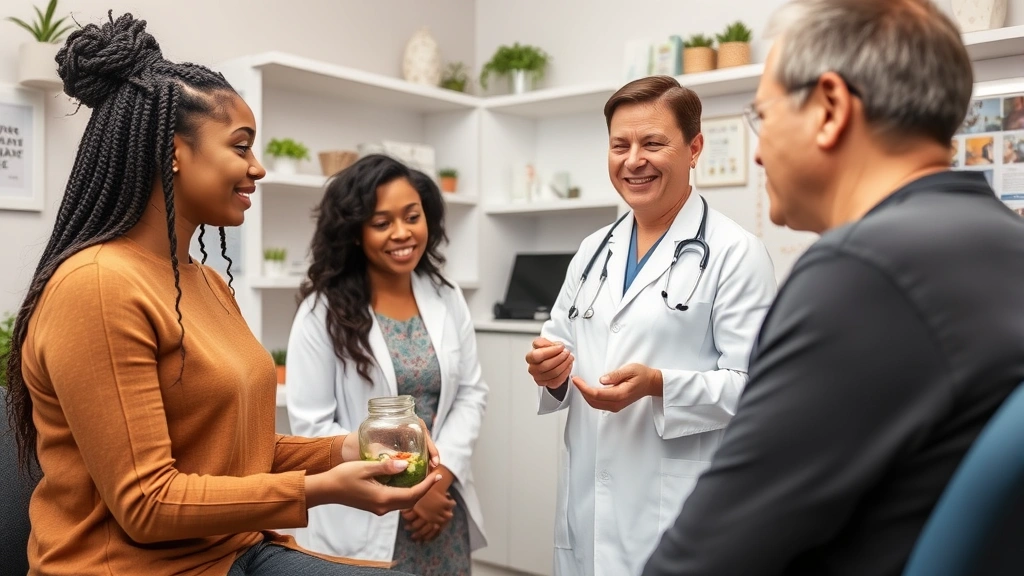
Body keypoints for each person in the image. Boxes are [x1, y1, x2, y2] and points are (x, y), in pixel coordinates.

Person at [3, 13, 441, 576]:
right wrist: (321, 489)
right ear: (173, 152)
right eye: (241, 146)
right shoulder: (96, 286)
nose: (257, 167)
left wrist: (349, 448)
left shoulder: (205, 282)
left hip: (230, 550)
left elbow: (238, 451)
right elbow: (147, 505)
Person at [643, 1, 1024, 575]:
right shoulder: (1003, 243)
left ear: (829, 108)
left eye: (763, 117)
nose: (756, 150)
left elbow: (704, 560)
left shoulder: (861, 274)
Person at [524, 75, 778, 576]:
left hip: (676, 507)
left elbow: (757, 389)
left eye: (653, 143)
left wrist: (659, 386)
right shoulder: (593, 249)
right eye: (620, 145)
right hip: (587, 504)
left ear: (694, 148)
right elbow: (559, 341)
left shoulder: (736, 254)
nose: (633, 159)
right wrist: (548, 371)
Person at [286, 154, 488, 575]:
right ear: (355, 232)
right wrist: (406, 484)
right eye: (381, 223)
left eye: (412, 216)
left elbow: (470, 393)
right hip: (364, 512)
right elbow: (311, 427)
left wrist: (439, 479)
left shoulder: (445, 295)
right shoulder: (321, 313)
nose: (402, 233)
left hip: (439, 509)